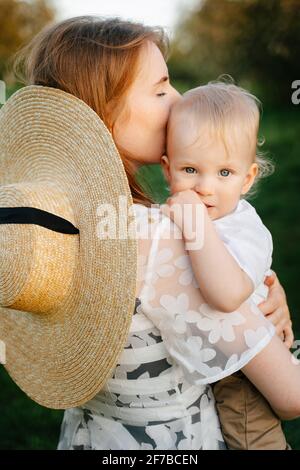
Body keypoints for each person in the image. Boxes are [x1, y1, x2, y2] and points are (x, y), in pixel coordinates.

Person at [12, 16, 299, 450]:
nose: (179, 98)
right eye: (161, 88)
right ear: (105, 114)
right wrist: (265, 314)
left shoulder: (54, 225)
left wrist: (258, 297)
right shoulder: (162, 241)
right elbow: (289, 395)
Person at [159, 80, 291, 449]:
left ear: (247, 178)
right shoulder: (173, 216)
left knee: (252, 438)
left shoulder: (243, 230)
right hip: (207, 361)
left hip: (245, 372)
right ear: (167, 170)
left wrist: (195, 225)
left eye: (224, 173)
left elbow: (228, 294)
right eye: (190, 170)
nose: (204, 186)